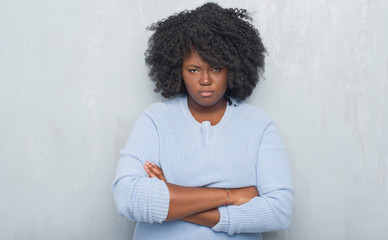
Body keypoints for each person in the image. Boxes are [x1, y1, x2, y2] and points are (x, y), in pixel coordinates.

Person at [112, 2, 294, 239]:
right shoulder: (155, 120)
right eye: (194, 69)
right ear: (178, 70)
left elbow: (279, 212)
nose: (205, 80)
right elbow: (127, 198)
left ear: (233, 68)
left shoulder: (259, 125)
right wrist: (230, 195)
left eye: (216, 68)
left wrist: (170, 197)